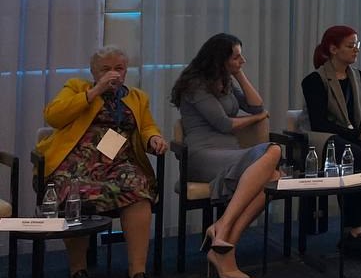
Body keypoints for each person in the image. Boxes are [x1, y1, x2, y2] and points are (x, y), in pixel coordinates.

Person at [37, 46, 168, 278]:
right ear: (93, 72)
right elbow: (53, 116)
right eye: (105, 69)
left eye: (119, 68)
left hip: (118, 162)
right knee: (74, 190)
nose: (113, 73)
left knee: (138, 188)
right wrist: (95, 92)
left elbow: (147, 126)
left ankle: (137, 271)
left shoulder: (137, 97)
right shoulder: (77, 87)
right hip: (77, 160)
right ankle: (78, 269)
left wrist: (154, 138)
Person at [170, 33, 281, 278]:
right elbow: (224, 124)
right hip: (202, 155)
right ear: (220, 59)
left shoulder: (225, 82)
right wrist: (258, 119)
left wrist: (239, 75)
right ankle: (224, 226)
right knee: (274, 150)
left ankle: (223, 246)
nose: (243, 61)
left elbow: (256, 105)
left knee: (274, 176)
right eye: (236, 57)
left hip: (229, 153)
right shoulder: (195, 85)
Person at [300, 25, 361, 256]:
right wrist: (358, 135)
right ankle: (353, 230)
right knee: (355, 156)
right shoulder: (314, 80)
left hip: (352, 136)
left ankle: (359, 230)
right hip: (325, 139)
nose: (356, 50)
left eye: (357, 45)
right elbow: (320, 123)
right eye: (350, 46)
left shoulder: (356, 76)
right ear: (333, 49)